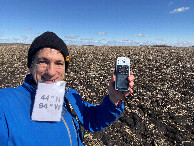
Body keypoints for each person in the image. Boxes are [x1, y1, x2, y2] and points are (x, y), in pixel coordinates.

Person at [0, 32, 134, 146]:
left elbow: (91, 119)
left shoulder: (69, 95)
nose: (51, 71)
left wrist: (114, 99)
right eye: (43, 62)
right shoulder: (5, 104)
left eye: (59, 63)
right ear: (31, 65)